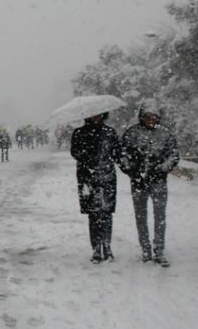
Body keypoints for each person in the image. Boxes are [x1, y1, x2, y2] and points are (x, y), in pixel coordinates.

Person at [118, 103, 179, 265]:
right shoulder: (132, 133)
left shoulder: (165, 134)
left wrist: (161, 169)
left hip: (158, 181)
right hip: (138, 182)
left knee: (160, 217)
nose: (150, 119)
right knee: (141, 216)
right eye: (147, 116)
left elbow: (173, 156)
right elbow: (122, 155)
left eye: (154, 117)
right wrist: (132, 171)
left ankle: (159, 249)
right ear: (141, 116)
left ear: (158, 117)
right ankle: (145, 248)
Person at [70, 112, 120, 263]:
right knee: (93, 213)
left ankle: (107, 244)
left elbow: (117, 152)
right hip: (87, 177)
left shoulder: (109, 132)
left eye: (99, 114)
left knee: (106, 212)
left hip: (107, 176)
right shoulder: (79, 133)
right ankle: (96, 246)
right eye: (93, 114)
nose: (96, 116)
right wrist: (89, 157)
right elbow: (75, 152)